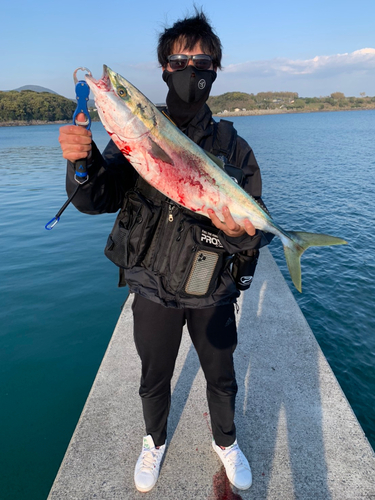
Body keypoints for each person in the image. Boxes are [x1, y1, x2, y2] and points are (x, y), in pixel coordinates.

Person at [59, 9, 269, 493]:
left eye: (204, 61)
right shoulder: (138, 136)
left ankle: (227, 441)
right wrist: (82, 162)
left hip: (210, 284)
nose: (192, 69)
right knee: (153, 376)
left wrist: (237, 234)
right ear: (164, 69)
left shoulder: (236, 150)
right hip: (152, 284)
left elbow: (253, 227)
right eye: (181, 59)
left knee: (221, 374)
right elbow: (96, 199)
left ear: (215, 70)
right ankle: (153, 440)